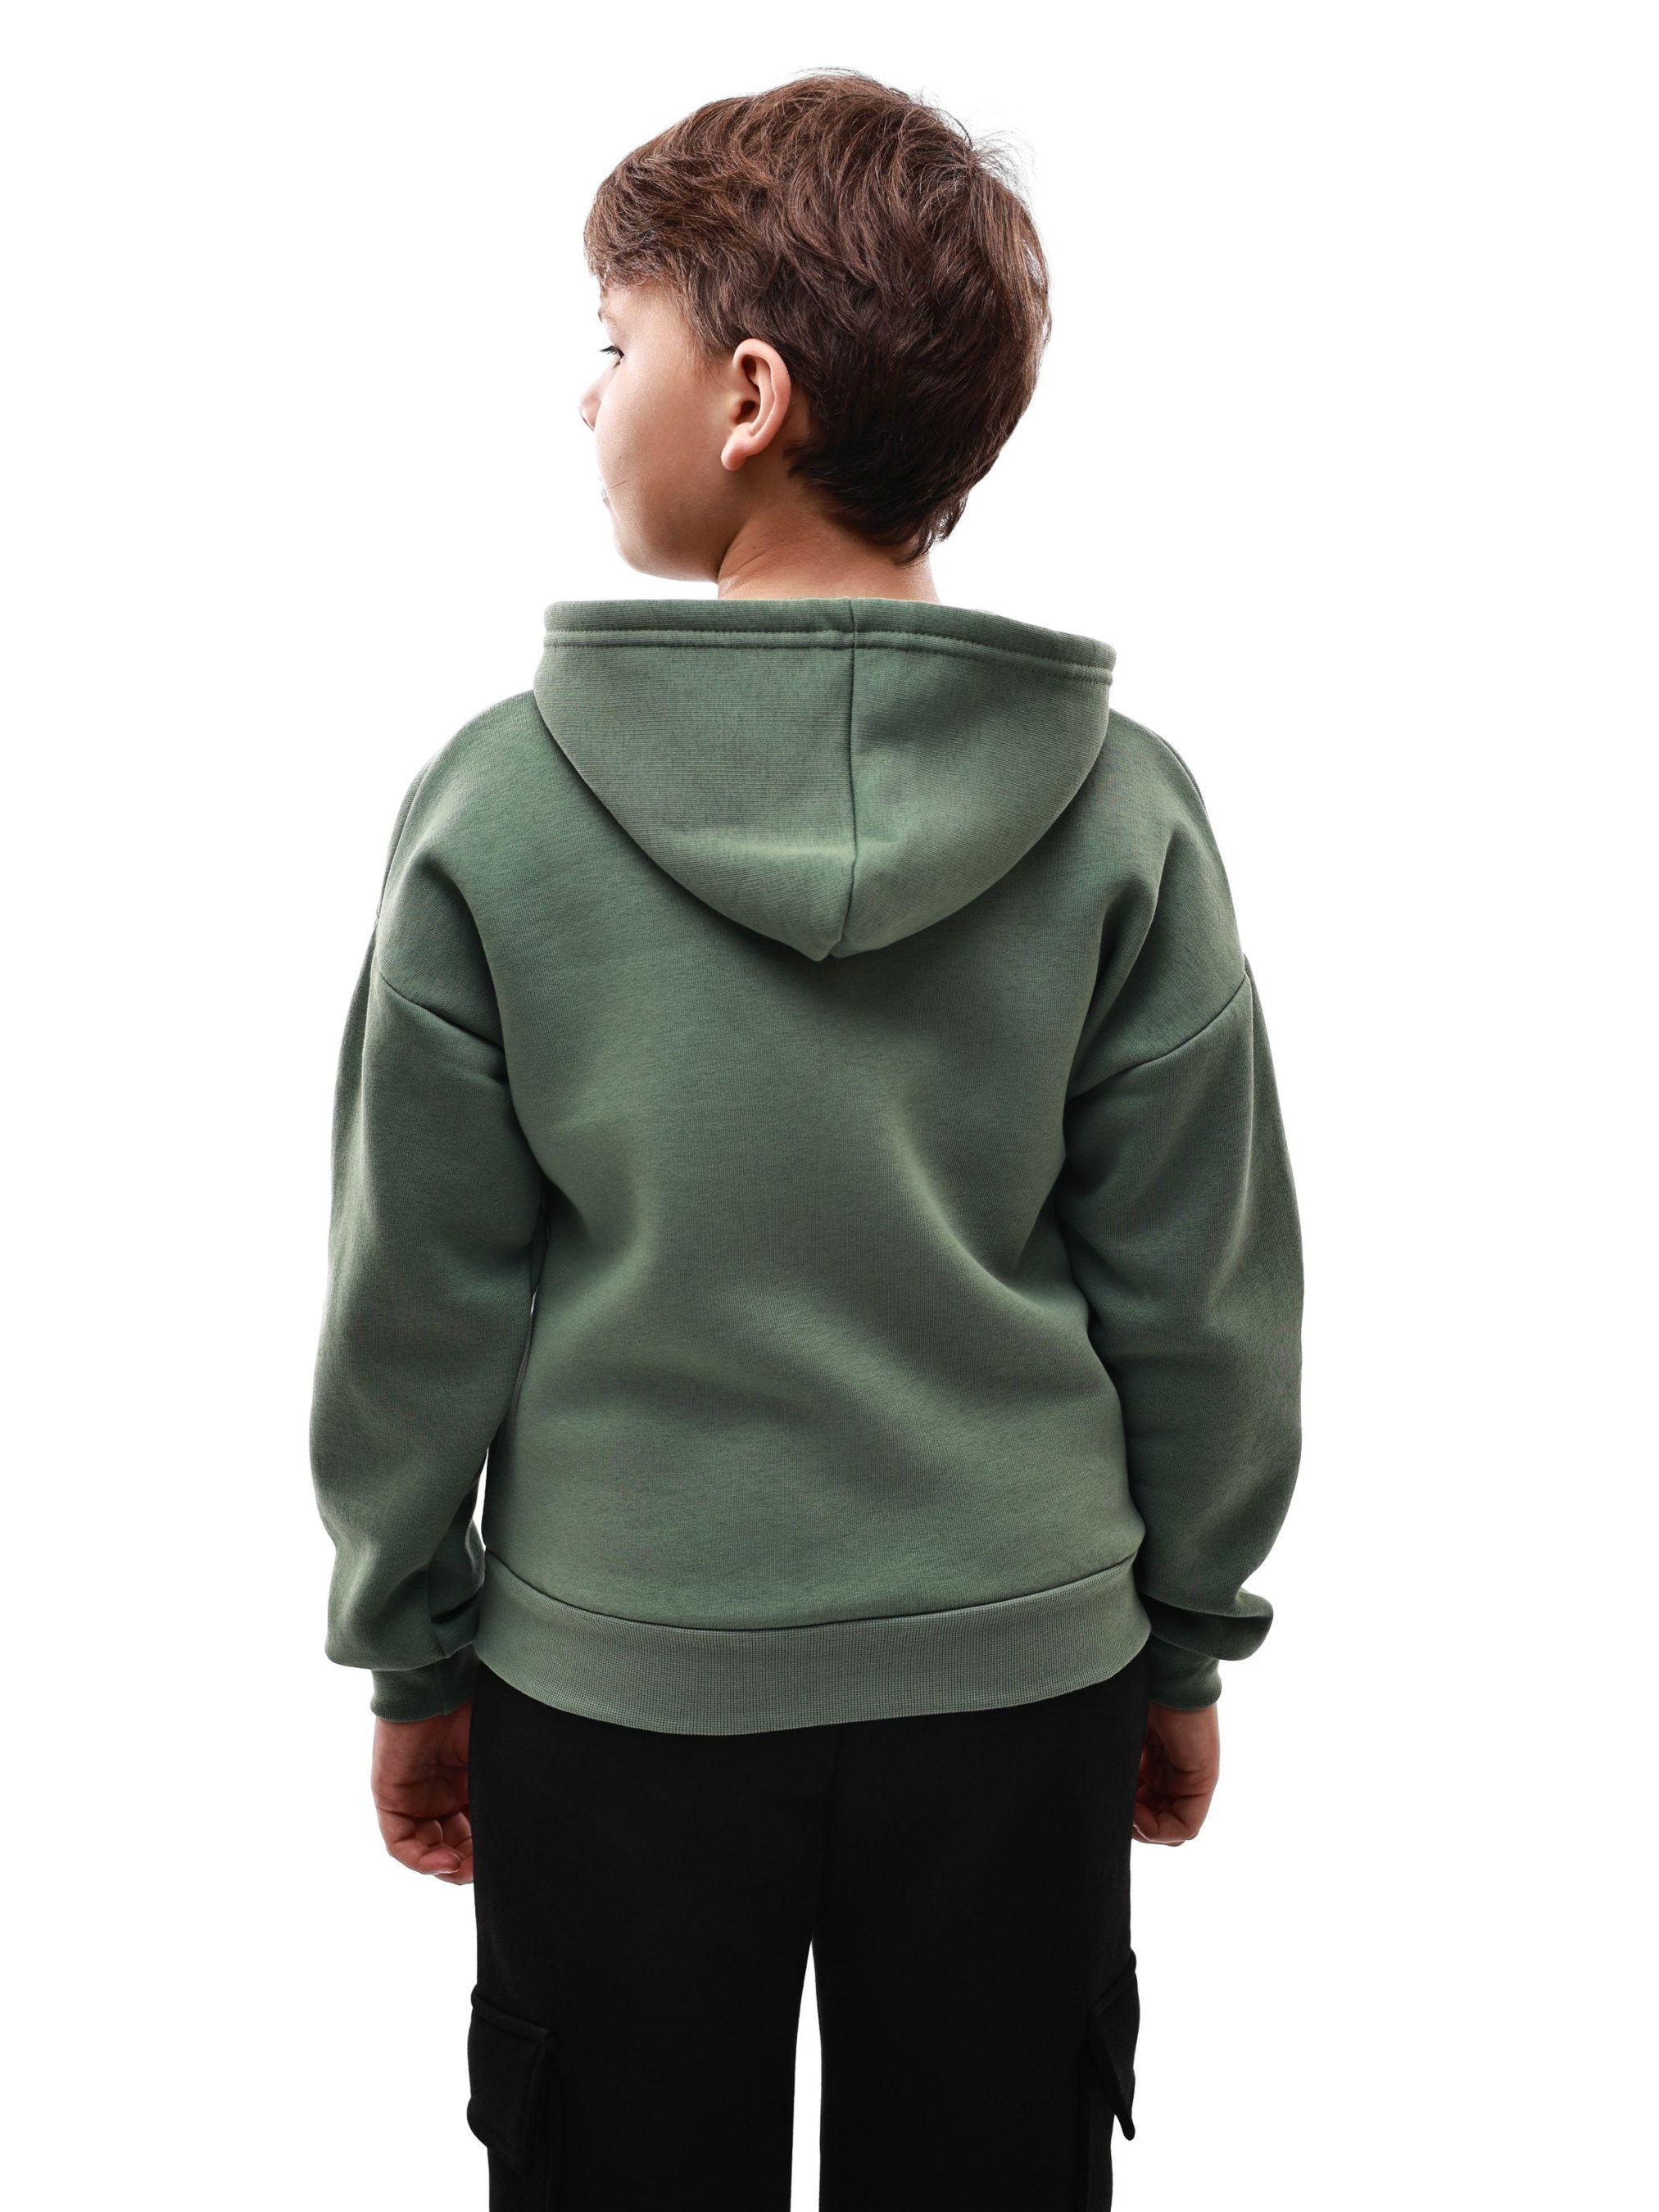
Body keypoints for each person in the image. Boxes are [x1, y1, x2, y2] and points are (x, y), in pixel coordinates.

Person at [310, 68, 1303, 2212]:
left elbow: (416, 1295)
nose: (586, 395)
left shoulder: (496, 808)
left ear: (746, 396)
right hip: (1022, 1674)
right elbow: (1202, 1292)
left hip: (613, 1686)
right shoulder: (1123, 812)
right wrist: (1181, 1634)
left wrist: (411, 1640)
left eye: (613, 342)